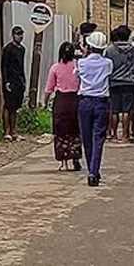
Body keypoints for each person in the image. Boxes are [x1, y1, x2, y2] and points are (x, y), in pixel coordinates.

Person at [77, 31, 113, 187]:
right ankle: (93, 171)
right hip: (101, 102)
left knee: (86, 138)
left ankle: (92, 169)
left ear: (89, 46)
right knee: (98, 138)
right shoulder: (108, 63)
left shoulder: (81, 63)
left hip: (85, 101)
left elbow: (77, 76)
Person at [44, 41, 82, 170]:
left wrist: (45, 102)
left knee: (61, 132)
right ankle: (75, 157)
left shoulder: (55, 67)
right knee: (75, 130)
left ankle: (63, 161)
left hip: (61, 101)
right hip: (75, 100)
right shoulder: (78, 66)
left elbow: (49, 89)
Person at [105, 25, 134, 142]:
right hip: (129, 83)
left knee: (114, 110)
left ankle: (114, 134)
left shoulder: (109, 50)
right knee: (126, 111)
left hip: (114, 82)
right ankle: (125, 135)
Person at [1, 26, 28, 141]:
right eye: (18, 34)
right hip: (10, 81)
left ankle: (14, 131)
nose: (20, 36)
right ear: (13, 35)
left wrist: (23, 80)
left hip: (19, 81)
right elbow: (4, 66)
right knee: (8, 105)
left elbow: (21, 66)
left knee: (16, 107)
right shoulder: (8, 49)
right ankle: (7, 131)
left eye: (21, 34)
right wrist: (6, 81)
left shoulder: (22, 49)